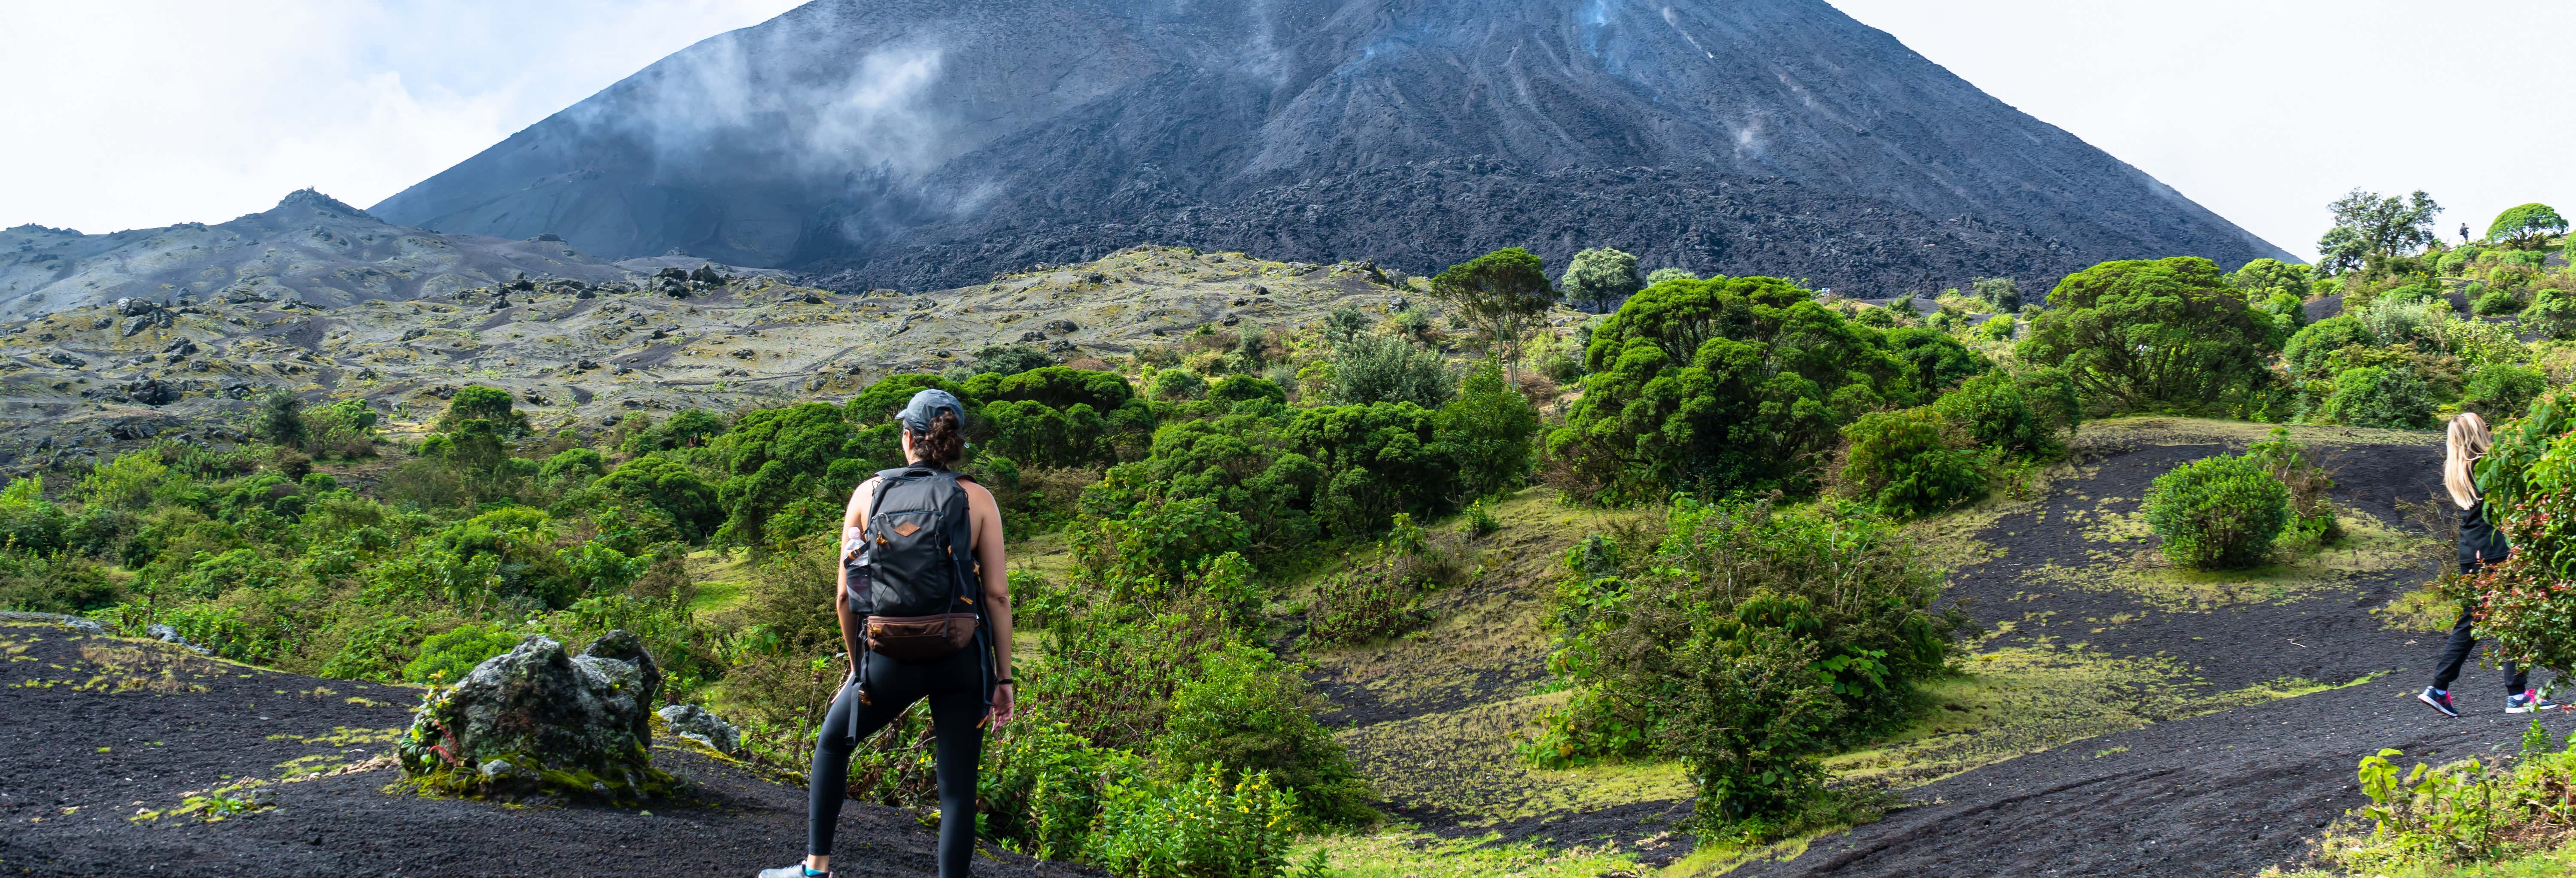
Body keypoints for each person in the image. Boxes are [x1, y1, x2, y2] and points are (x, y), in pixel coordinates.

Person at [762, 389, 1015, 878]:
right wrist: (1002, 680)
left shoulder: (868, 493)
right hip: (960, 654)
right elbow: (998, 597)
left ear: (908, 438)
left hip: (887, 656)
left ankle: (816, 869)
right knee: (958, 785)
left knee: (834, 743)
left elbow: (845, 595)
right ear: (953, 440)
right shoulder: (977, 497)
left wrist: (859, 672)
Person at [2418, 412, 2559, 717]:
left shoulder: (2455, 468)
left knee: (2472, 621)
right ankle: (2517, 695)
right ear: (2476, 432)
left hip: (2471, 552)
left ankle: (2438, 688)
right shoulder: (2487, 465)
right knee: (2517, 615)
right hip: (2496, 549)